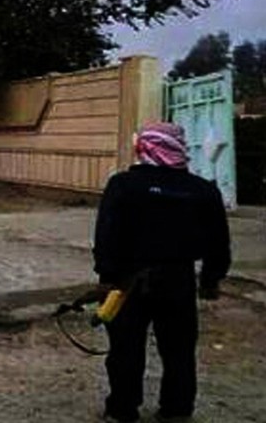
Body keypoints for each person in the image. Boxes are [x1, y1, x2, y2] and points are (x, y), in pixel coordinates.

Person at [93, 122, 231, 423]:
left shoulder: (123, 185)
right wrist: (211, 278)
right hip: (178, 281)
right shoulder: (202, 190)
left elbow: (106, 234)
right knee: (179, 349)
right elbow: (218, 241)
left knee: (125, 348)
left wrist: (106, 276)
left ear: (143, 147)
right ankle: (177, 410)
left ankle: (122, 410)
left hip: (127, 281)